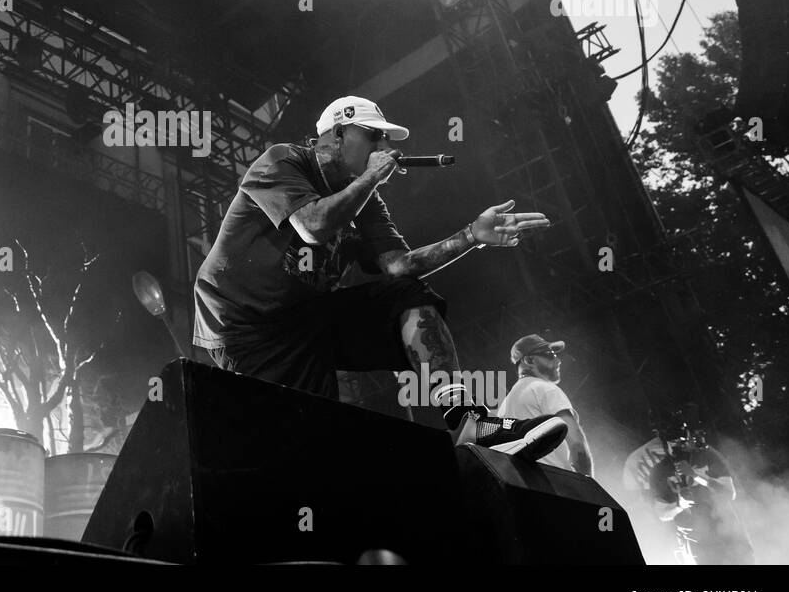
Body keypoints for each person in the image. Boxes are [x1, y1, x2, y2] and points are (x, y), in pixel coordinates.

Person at [193, 94, 566, 458]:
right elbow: (312, 226)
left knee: (406, 293)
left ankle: (467, 421)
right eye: (374, 135)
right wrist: (370, 177)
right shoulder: (284, 160)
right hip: (246, 327)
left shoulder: (366, 199)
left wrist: (471, 236)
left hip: (307, 318)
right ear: (338, 134)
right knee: (306, 446)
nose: (386, 145)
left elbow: (398, 265)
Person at [622, 409, 755, 565]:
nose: (679, 445)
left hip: (728, 533)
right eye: (674, 442)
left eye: (682, 439)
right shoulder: (659, 471)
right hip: (697, 543)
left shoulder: (707, 456)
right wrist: (679, 504)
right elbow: (661, 513)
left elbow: (729, 493)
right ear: (664, 443)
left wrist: (695, 476)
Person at [496, 333, 594, 475]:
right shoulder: (545, 389)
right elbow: (577, 445)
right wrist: (588, 486)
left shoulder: (504, 406)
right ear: (529, 360)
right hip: (557, 485)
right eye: (549, 355)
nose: (558, 360)